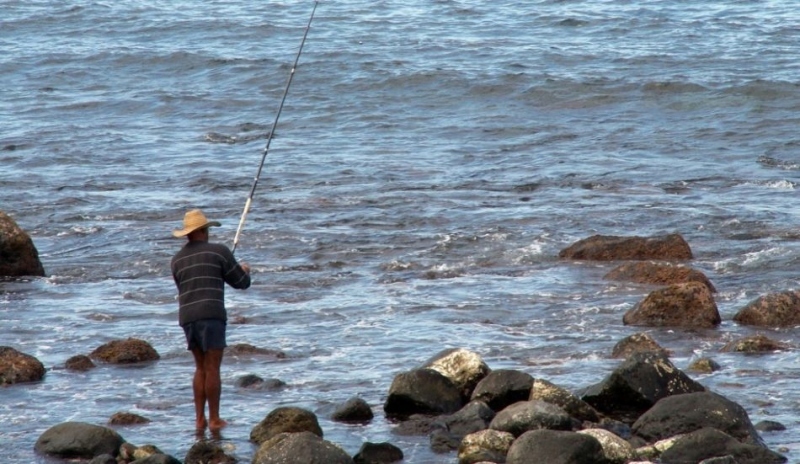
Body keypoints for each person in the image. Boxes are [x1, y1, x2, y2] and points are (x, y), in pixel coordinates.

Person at [171, 208, 251, 432]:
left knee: (200, 368)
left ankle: (199, 420)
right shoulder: (220, 251)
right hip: (211, 314)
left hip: (187, 317)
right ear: (204, 230)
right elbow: (241, 282)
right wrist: (244, 269)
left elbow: (184, 288)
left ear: (188, 233)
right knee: (213, 367)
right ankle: (215, 419)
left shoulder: (176, 260)